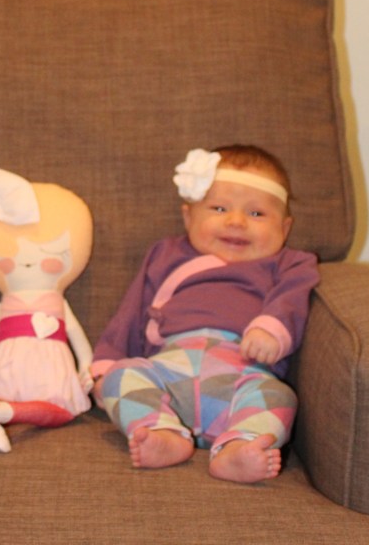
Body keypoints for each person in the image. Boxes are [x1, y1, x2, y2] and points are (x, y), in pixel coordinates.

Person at [91, 145, 319, 483]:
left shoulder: (291, 264)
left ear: (284, 228)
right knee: (120, 376)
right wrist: (106, 364)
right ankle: (162, 432)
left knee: (279, 397)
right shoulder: (165, 254)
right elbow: (131, 313)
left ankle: (239, 447)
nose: (236, 221)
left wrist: (271, 331)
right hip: (169, 370)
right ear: (188, 217)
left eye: (257, 213)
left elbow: (292, 300)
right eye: (219, 208)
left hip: (242, 371)